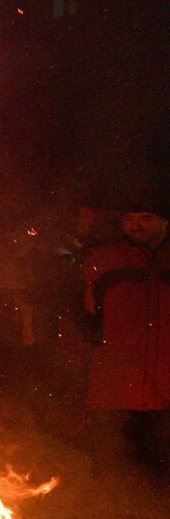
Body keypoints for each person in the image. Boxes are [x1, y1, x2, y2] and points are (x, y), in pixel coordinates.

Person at [81, 188, 170, 480]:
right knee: (115, 480)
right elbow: (82, 318)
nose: (137, 225)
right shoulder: (102, 260)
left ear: (164, 222)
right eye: (129, 219)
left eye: (146, 217)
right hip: (115, 393)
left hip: (165, 394)